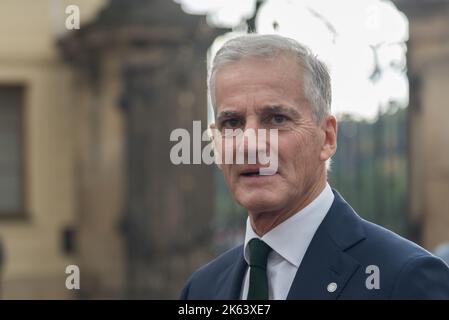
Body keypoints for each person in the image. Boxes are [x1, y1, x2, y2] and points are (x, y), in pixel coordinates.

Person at [180, 34, 449, 299]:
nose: (249, 144)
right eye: (233, 123)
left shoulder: (405, 279)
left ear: (327, 138)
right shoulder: (201, 289)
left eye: (276, 118)